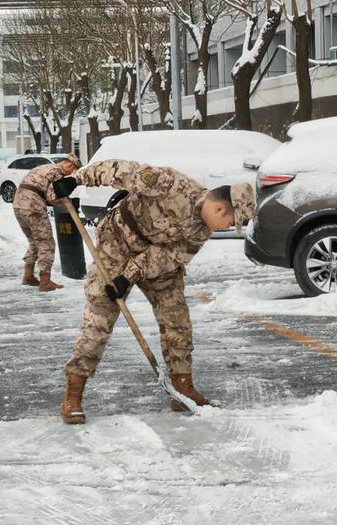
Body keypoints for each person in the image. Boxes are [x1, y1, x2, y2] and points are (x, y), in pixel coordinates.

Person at [53, 159, 255, 424]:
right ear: (219, 208)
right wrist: (78, 180)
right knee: (100, 315)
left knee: (176, 318)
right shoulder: (170, 184)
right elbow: (120, 170)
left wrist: (129, 276)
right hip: (118, 242)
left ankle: (182, 388)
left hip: (154, 260)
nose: (226, 228)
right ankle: (74, 392)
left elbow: (167, 256)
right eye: (229, 222)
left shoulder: (201, 232)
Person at [11, 153, 81, 292]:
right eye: (73, 171)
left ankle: (28, 275)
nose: (70, 174)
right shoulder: (57, 172)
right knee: (46, 242)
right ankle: (45, 281)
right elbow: (52, 197)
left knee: (34, 241)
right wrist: (69, 204)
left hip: (18, 204)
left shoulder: (44, 167)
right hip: (33, 205)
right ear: (70, 165)